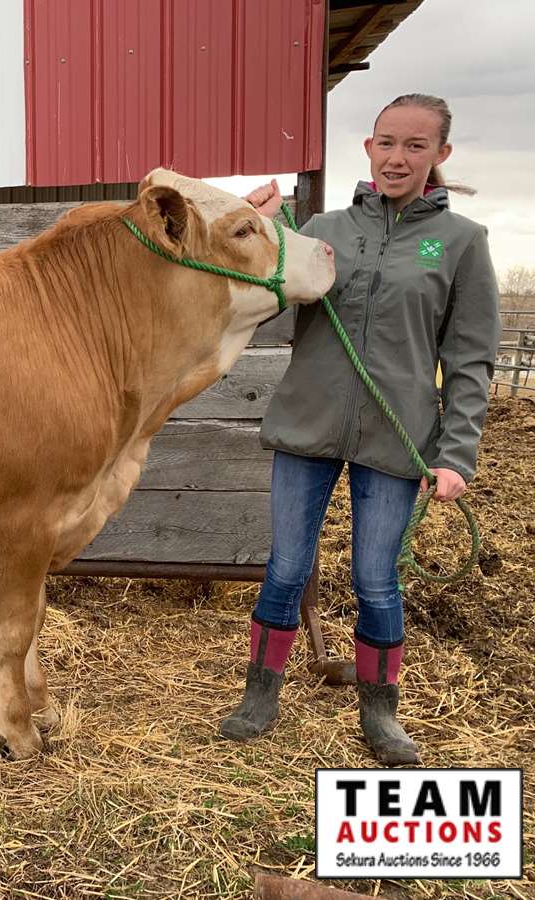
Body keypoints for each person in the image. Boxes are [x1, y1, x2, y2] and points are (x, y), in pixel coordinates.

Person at [219, 94, 502, 766]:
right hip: (309, 423)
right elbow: (256, 300)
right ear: (370, 147)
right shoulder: (324, 229)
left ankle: (380, 712)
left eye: (415, 145)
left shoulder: (461, 242)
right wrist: (253, 228)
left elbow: (470, 358)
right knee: (287, 568)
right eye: (387, 143)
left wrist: (456, 453)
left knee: (376, 579)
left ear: (440, 154)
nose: (397, 158)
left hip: (396, 436)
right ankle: (260, 693)